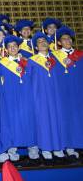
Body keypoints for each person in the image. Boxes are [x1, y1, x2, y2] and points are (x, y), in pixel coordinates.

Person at [0, 35, 39, 165]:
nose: (13, 48)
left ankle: (33, 150)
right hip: (10, 98)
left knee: (29, 121)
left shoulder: (28, 62)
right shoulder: (1, 64)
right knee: (12, 123)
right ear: (6, 49)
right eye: (10, 47)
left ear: (18, 47)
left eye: (15, 46)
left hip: (27, 97)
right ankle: (12, 150)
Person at [26, 32, 65, 164]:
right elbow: (28, 82)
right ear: (36, 47)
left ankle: (58, 147)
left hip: (55, 97)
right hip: (40, 97)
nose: (43, 43)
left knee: (56, 119)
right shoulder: (32, 61)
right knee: (43, 122)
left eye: (44, 41)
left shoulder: (55, 60)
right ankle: (46, 149)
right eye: (39, 42)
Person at [52, 26, 83, 160]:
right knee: (64, 120)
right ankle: (67, 147)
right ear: (59, 42)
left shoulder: (80, 55)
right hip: (62, 94)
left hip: (78, 92)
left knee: (78, 119)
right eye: (64, 39)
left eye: (69, 39)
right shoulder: (54, 57)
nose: (67, 41)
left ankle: (77, 145)